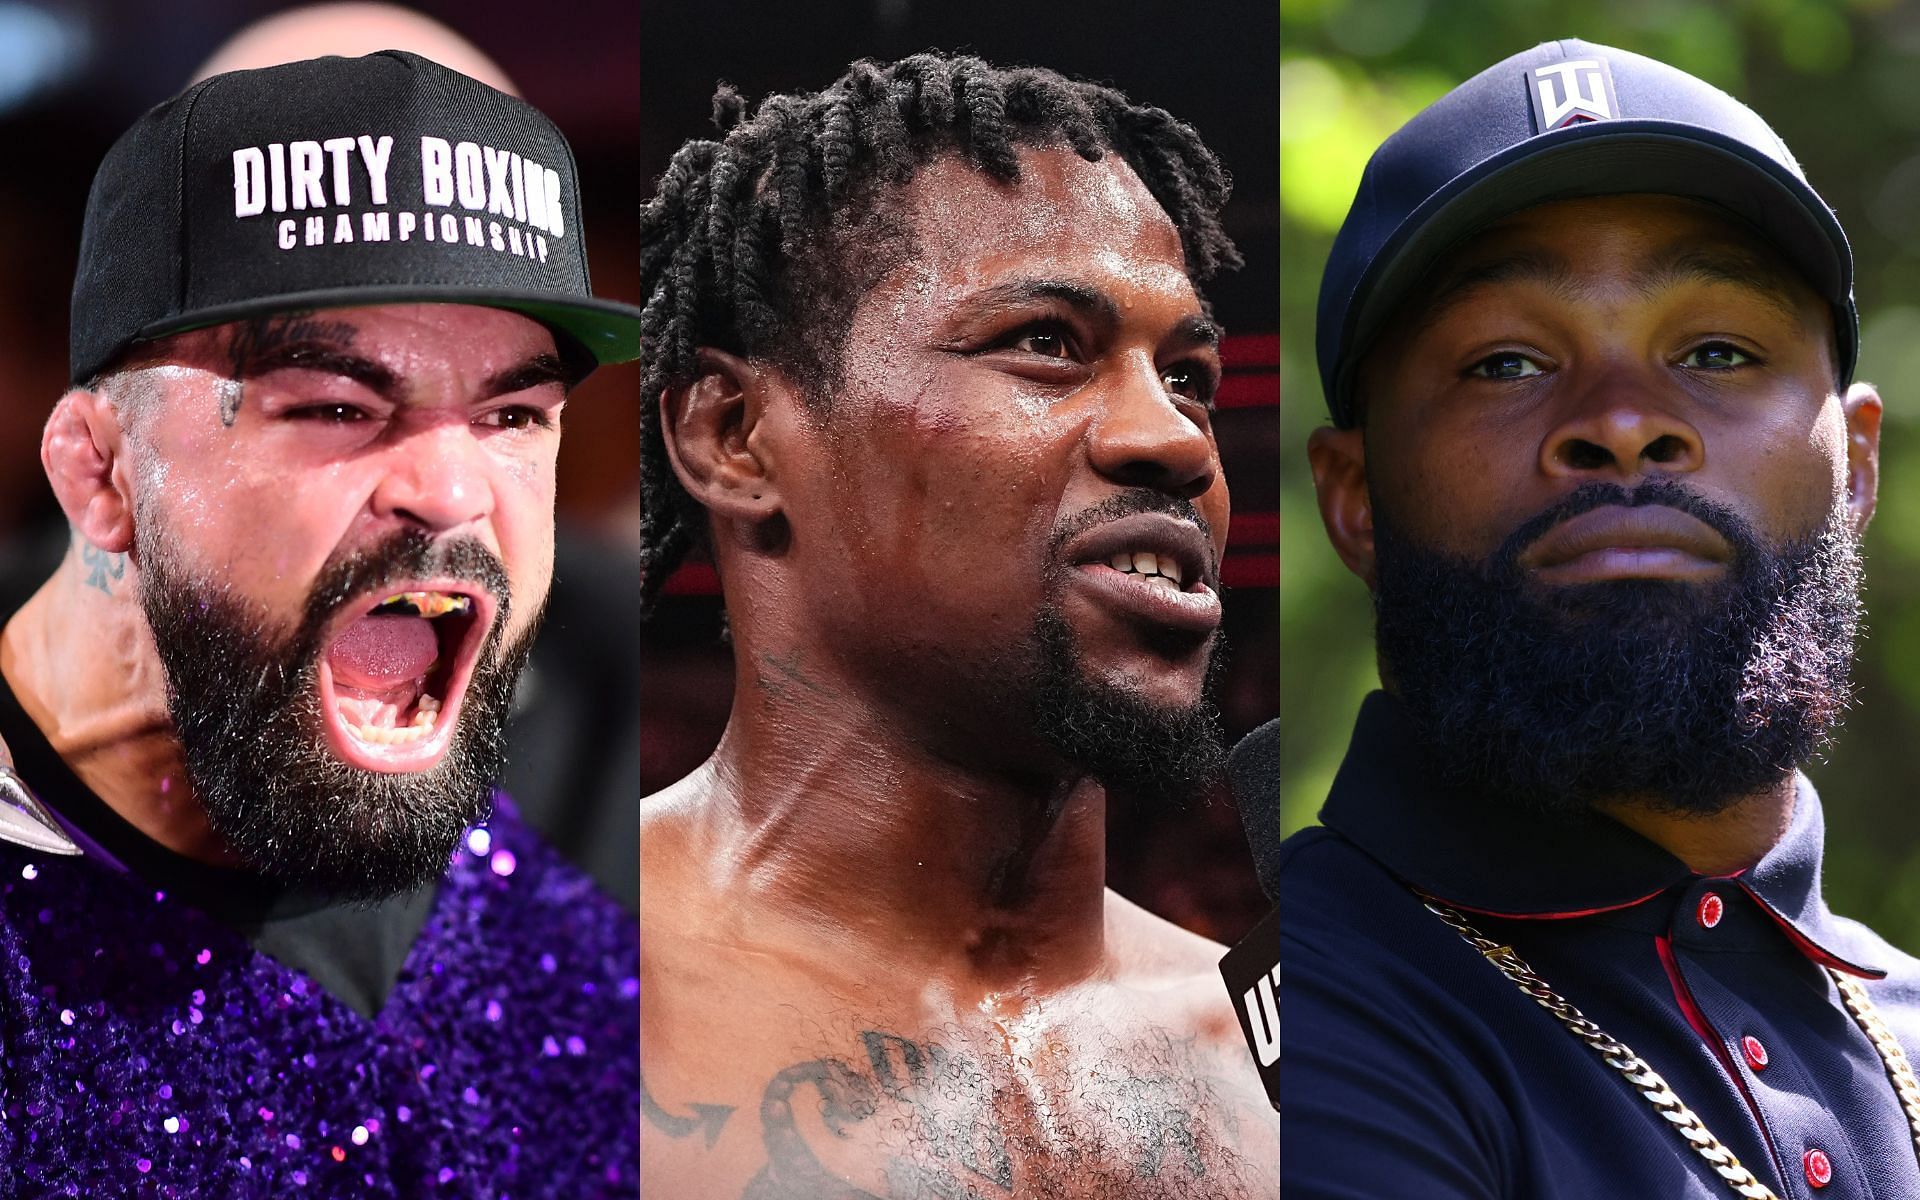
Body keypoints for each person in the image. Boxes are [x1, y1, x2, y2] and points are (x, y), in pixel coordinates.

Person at [634, 52, 1278, 1198]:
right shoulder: (555, 995)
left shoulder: (1288, 1050)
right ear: (734, 437)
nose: (1178, 441)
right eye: (1045, 342)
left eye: (1188, 376)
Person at [1284, 38, 1919, 1199]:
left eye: (1717, 351)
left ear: (1858, 467)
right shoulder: (1279, 1029)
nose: (1623, 421)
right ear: (1357, 498)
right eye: (1509, 361)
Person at [0, 51, 641, 1196]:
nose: (451, 492)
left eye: (512, 411)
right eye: (339, 404)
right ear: (99, 471)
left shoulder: (614, 867)